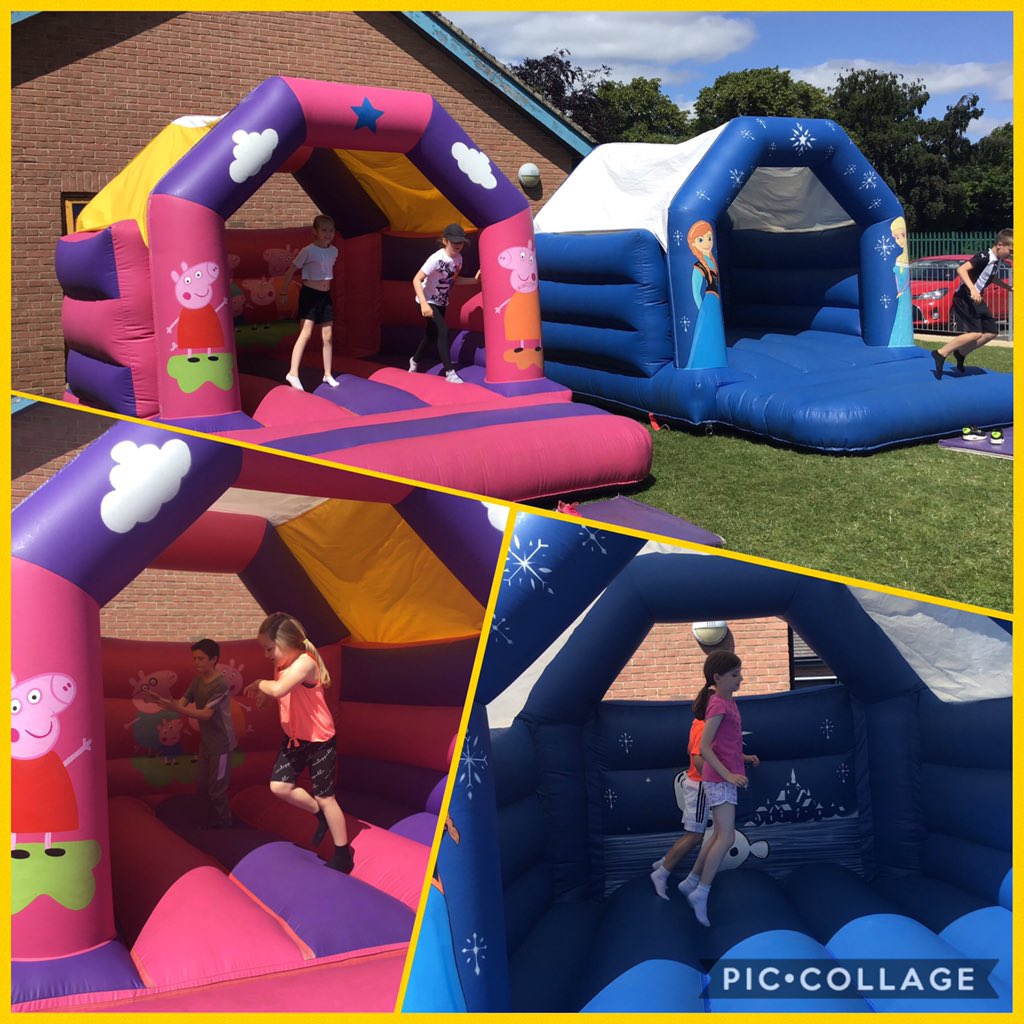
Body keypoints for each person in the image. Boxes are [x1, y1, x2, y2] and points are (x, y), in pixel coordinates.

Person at [243, 612, 354, 873]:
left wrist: (260, 685)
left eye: (270, 648)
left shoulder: (305, 663)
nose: (267, 655)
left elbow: (279, 689)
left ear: (288, 642)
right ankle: (318, 813)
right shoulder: (282, 665)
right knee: (279, 786)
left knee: (326, 797)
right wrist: (265, 697)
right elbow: (281, 692)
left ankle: (343, 854)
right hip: (295, 738)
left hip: (319, 740)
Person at [680, 651, 759, 926]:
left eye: (740, 673)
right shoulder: (718, 705)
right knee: (725, 837)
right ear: (717, 678)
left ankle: (691, 882)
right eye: (735, 675)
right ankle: (701, 891)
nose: (741, 679)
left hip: (725, 776)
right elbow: (704, 747)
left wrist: (743, 759)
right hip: (719, 779)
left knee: (718, 835)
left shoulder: (728, 701)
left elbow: (726, 743)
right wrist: (728, 774)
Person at [151, 639, 236, 828]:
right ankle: (209, 819)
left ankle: (225, 823)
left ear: (213, 659)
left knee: (217, 789)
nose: (196, 662)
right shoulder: (197, 681)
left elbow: (206, 714)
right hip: (207, 742)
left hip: (221, 744)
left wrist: (177, 708)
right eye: (194, 659)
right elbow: (182, 702)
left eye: (201, 659)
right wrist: (165, 702)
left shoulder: (220, 684)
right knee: (203, 785)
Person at [650, 684, 713, 899]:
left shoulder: (699, 724)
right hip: (701, 786)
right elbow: (697, 759)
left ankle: (665, 862)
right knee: (695, 836)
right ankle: (663, 872)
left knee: (695, 834)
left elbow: (696, 751)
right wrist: (720, 774)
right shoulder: (705, 727)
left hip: (697, 785)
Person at [932, 229, 1013, 378]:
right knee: (975, 333)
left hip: (977, 298)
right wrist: (973, 289)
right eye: (1010, 250)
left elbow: (991, 277)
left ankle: (961, 353)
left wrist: (1008, 287)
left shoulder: (997, 260)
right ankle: (940, 353)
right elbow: (961, 269)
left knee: (991, 333)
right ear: (1000, 245)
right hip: (965, 297)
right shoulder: (984, 256)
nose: (1011, 254)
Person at [279, 214, 340, 391]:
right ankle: (293, 373)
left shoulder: (334, 251)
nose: (328, 234)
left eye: (331, 231)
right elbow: (291, 270)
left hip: (325, 296)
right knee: (305, 333)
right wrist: (283, 291)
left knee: (327, 336)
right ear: (315, 232)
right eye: (324, 230)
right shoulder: (308, 250)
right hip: (310, 295)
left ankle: (327, 373)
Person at [410, 224, 475, 384]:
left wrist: (475, 280)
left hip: (441, 302)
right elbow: (417, 279)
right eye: (454, 242)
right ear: (445, 241)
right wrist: (424, 305)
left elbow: (455, 280)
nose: (458, 245)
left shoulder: (458, 259)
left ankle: (415, 360)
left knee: (431, 335)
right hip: (427, 300)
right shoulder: (436, 259)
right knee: (442, 330)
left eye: (460, 242)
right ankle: (449, 372)